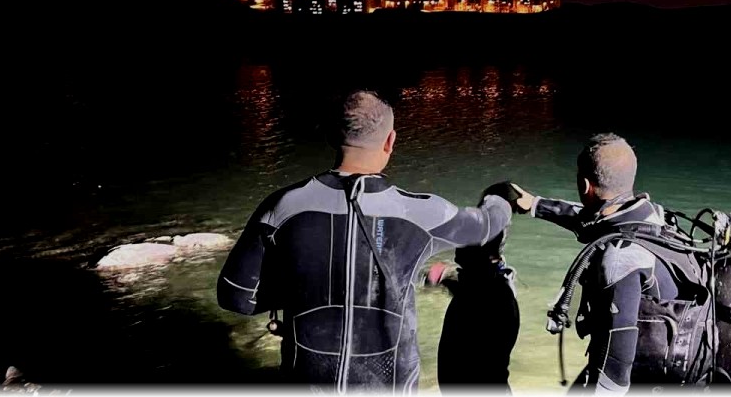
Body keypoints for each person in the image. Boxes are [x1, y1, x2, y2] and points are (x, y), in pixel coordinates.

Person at [217, 91, 513, 392]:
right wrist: (502, 198)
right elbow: (487, 226)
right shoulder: (421, 213)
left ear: (333, 136)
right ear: (390, 141)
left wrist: (302, 291)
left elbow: (236, 297)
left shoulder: (281, 207)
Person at [501, 134, 690, 394]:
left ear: (585, 184)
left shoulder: (620, 260)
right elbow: (592, 220)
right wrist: (535, 205)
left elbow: (614, 379)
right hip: (674, 352)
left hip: (652, 376)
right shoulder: (651, 216)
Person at [426, 213, 519, 393]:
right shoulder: (491, 288)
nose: (456, 256)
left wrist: (446, 278)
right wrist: (446, 278)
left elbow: (477, 303)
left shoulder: (488, 296)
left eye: (462, 246)